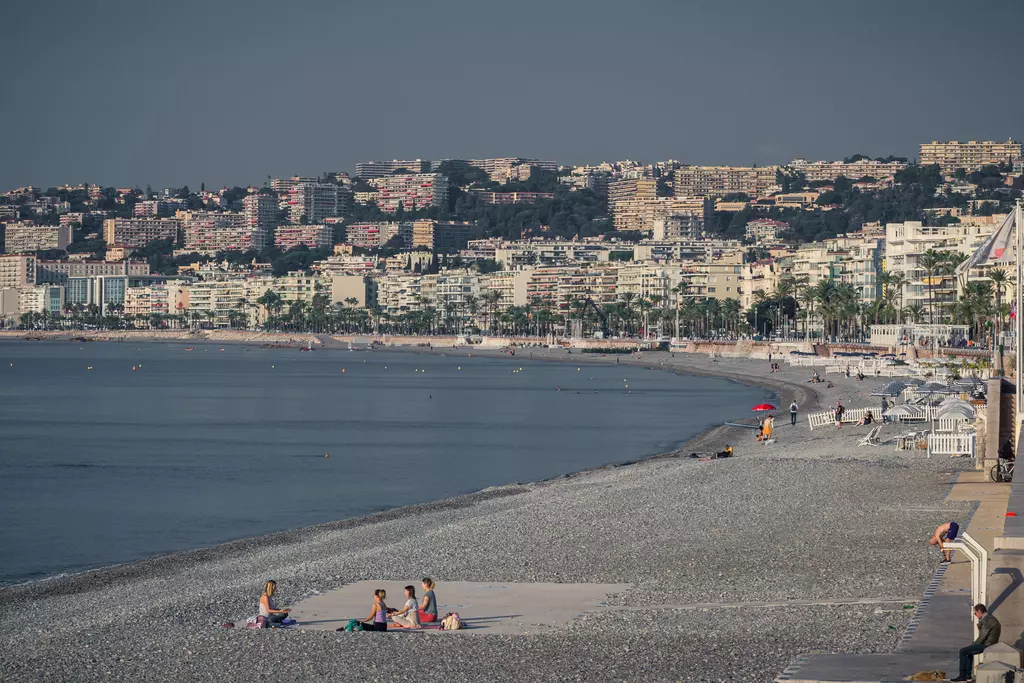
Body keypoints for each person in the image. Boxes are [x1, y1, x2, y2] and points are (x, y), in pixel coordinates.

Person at [950, 604, 1001, 681]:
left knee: (963, 651)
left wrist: (973, 644)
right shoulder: (989, 618)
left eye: (975, 613)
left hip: (987, 645)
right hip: (990, 643)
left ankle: (962, 676)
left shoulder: (987, 620)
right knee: (969, 651)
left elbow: (982, 637)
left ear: (979, 611)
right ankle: (967, 676)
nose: (975, 615)